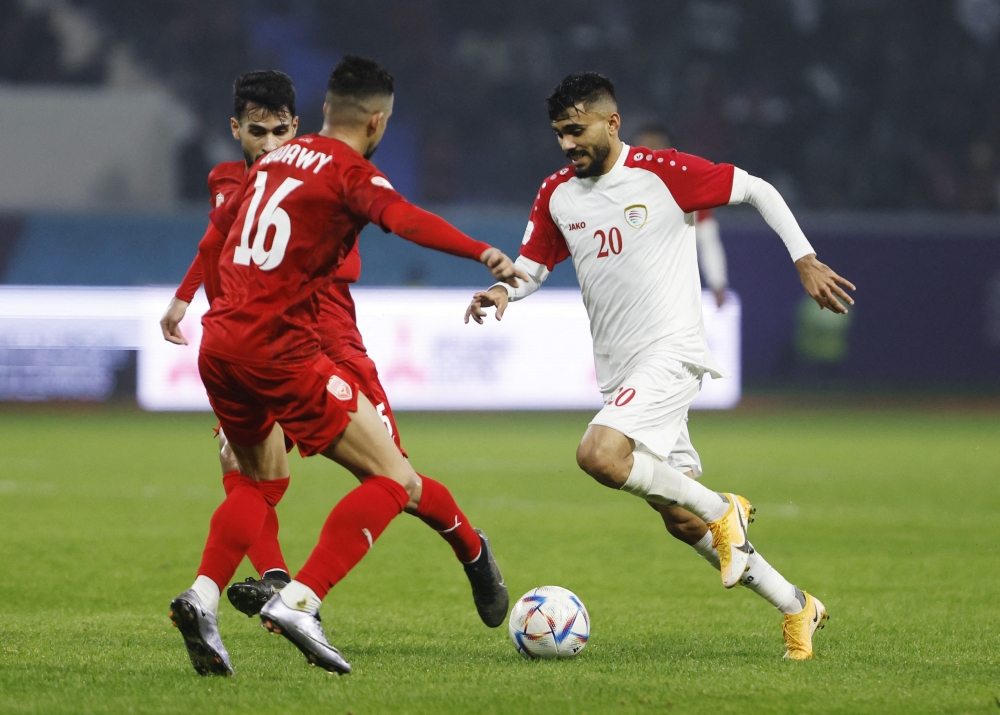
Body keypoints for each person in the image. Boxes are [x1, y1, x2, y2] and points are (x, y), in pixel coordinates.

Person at [465, 72, 856, 660]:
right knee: (681, 519)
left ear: (611, 122)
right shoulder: (557, 194)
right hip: (621, 371)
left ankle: (724, 508)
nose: (567, 144)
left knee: (599, 455)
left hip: (671, 352)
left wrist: (804, 259)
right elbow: (534, 267)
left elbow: (758, 189)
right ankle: (797, 605)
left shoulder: (662, 172)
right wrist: (503, 291)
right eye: (559, 133)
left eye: (576, 130)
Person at [169, 56, 525, 677]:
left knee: (259, 481)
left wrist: (182, 300)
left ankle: (204, 595)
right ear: (378, 121)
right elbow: (404, 218)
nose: (268, 139)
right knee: (394, 480)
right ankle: (297, 599)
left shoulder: (271, 164)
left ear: (319, 113)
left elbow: (217, 233)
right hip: (288, 343)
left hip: (224, 341)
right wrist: (482, 251)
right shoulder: (346, 171)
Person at [635, 124, 729, 308]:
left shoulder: (689, 188)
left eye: (655, 148)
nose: (649, 155)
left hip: (672, 284)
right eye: (643, 149)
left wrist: (717, 281)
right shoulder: (621, 186)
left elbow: (707, 238)